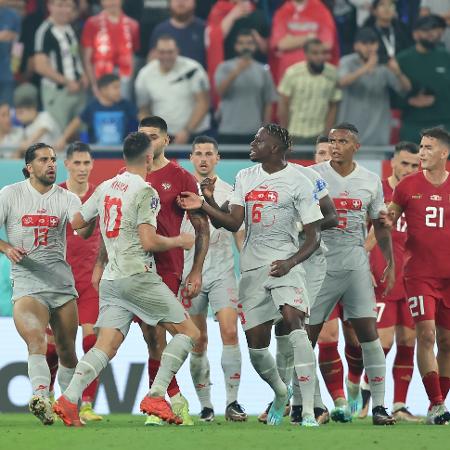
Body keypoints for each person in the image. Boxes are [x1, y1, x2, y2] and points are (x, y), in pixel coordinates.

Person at [179, 123, 325, 427]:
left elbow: (314, 237)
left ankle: (308, 410)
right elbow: (232, 223)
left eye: (258, 140)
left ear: (273, 148)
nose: (251, 143)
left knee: (295, 325)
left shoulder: (299, 181)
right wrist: (204, 203)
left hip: (286, 266)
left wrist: (290, 262)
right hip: (252, 269)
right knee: (257, 349)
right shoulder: (245, 177)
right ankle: (281, 392)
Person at [53, 131, 199, 427]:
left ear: (123, 157)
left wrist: (101, 226)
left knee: (105, 345)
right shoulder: (146, 191)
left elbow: (78, 222)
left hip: (111, 280)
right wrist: (179, 242)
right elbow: (148, 241)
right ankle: (157, 394)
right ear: (148, 158)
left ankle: (69, 399)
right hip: (137, 275)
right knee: (190, 333)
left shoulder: (106, 186)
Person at [93, 116, 210, 426]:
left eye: (154, 136)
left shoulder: (181, 177)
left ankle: (160, 400)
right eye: (143, 136)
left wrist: (196, 270)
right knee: (151, 338)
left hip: (167, 265)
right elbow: (112, 228)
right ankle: (169, 398)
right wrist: (100, 264)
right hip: (128, 269)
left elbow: (201, 227)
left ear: (166, 141)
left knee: (158, 334)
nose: (149, 141)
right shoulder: (126, 175)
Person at [308, 122, 396, 426]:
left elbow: (380, 224)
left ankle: (380, 407)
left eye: (342, 141)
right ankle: (313, 404)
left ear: (355, 146)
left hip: (356, 263)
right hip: (321, 263)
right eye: (332, 141)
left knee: (368, 335)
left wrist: (390, 261)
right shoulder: (314, 175)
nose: (335, 146)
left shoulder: (370, 181)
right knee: (307, 337)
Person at [0, 142, 88, 425]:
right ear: (29, 167)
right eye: (43, 160)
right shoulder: (10, 195)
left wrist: (94, 213)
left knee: (67, 351)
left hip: (61, 286)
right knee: (36, 339)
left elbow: (82, 231)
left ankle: (68, 405)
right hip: (27, 283)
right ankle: (41, 395)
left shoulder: (67, 198)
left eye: (53, 159)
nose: (51, 164)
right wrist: (6, 247)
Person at [179, 135, 246, 422]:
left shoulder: (231, 191)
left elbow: (238, 233)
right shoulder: (179, 193)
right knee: (198, 340)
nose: (204, 158)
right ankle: (206, 406)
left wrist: (249, 269)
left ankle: (232, 402)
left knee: (230, 332)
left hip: (222, 272)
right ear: (191, 159)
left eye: (209, 153)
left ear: (218, 158)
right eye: (198, 154)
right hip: (189, 274)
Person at [387, 127, 450, 425]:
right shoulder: (407, 186)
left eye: (428, 147)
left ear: (444, 153)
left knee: (448, 342)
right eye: (421, 146)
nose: (421, 152)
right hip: (419, 276)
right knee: (426, 334)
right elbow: (389, 220)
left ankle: (435, 406)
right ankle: (437, 404)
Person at [356, 141, 420, 422]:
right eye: (404, 163)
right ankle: (366, 399)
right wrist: (361, 267)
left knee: (409, 341)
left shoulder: (421, 193)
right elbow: (360, 232)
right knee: (382, 342)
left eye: (415, 165)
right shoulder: (376, 190)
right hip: (381, 278)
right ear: (392, 161)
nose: (409, 170)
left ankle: (399, 405)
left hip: (414, 279)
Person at [45, 142, 103, 422]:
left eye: (87, 163)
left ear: (92, 165)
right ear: (66, 164)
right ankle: (49, 398)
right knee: (53, 347)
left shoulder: (99, 197)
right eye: (77, 163)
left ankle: (87, 404)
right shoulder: (56, 196)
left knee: (92, 342)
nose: (82, 168)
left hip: (90, 282)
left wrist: (103, 268)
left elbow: (105, 236)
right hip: (58, 283)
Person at [337, 27, 411, 146]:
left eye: (373, 43)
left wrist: (398, 72)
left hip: (377, 138)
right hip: (348, 137)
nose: (369, 47)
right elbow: (342, 82)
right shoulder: (347, 62)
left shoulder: (384, 65)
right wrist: (367, 67)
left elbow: (406, 89)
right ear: (356, 46)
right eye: (364, 43)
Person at [135, 35, 210, 144]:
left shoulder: (193, 69)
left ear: (177, 51)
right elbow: (143, 110)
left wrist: (186, 131)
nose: (166, 56)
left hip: (195, 135)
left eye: (170, 52)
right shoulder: (145, 74)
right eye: (162, 52)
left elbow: (203, 102)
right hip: (162, 139)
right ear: (155, 52)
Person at [215, 28, 277, 144]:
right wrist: (236, 71)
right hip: (228, 131)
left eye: (249, 43)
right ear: (236, 46)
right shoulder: (224, 67)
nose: (245, 47)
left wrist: (265, 130)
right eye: (241, 43)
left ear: (255, 46)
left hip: (253, 132)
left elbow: (268, 102)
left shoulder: (263, 70)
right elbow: (220, 92)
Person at [34, 0, 87, 131]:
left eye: (69, 6)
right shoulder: (45, 31)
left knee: (80, 132)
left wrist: (84, 74)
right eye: (60, 5)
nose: (65, 10)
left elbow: (75, 55)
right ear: (50, 6)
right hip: (57, 93)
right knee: (58, 134)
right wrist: (67, 82)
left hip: (78, 90)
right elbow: (40, 66)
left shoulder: (71, 28)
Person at [397, 15, 450, 142]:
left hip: (443, 124)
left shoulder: (445, 56)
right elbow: (392, 93)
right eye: (425, 30)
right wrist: (409, 101)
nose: (431, 34)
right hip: (412, 125)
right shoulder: (402, 59)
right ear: (415, 34)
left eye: (434, 29)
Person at [278, 38, 341, 145]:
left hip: (320, 135)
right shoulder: (292, 73)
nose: (320, 57)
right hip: (294, 134)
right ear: (306, 54)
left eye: (323, 53)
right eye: (315, 53)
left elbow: (333, 106)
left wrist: (327, 134)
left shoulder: (333, 74)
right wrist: (285, 135)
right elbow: (283, 105)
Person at [56, 73, 138, 148]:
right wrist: (63, 139)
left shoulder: (125, 105)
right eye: (115, 87)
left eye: (119, 87)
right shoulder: (92, 107)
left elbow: (140, 117)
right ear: (103, 90)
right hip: (97, 153)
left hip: (121, 152)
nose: (119, 91)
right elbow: (76, 122)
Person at [81, 0, 140, 100]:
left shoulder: (133, 25)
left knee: (122, 108)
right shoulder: (92, 23)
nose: (111, 2)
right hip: (100, 75)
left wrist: (130, 80)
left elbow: (132, 55)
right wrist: (94, 84)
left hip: (124, 77)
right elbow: (87, 58)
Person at [270, 0, 339, 84]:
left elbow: (327, 43)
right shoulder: (282, 11)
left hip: (316, 76)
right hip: (288, 76)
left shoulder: (321, 10)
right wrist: (310, 37)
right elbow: (281, 44)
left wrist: (292, 40)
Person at [149, 0, 206, 67]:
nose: (181, 2)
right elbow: (152, 63)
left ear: (194, 2)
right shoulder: (159, 31)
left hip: (198, 75)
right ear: (169, 2)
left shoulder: (204, 29)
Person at [13, 83, 61, 157]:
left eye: (21, 112)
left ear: (32, 109)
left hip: (58, 160)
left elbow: (43, 129)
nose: (18, 117)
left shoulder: (44, 116)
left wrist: (27, 142)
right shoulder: (27, 128)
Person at [0, 1, 20, 105]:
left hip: (6, 75)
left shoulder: (13, 16)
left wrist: (14, 70)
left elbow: (18, 47)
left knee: (6, 111)